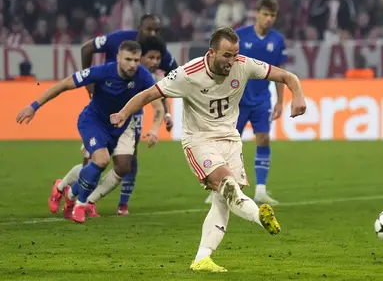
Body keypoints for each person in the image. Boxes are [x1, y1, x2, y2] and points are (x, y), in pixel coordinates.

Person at [110, 27, 306, 272]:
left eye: (235, 54)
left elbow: (288, 77)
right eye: (226, 56)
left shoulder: (243, 65)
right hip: (199, 140)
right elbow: (148, 94)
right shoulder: (187, 74)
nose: (232, 61)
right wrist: (123, 113)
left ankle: (202, 259)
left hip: (230, 140)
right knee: (228, 185)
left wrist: (297, 95)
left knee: (222, 202)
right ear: (212, 52)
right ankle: (260, 217)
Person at [17, 41, 163, 223]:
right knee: (99, 161)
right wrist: (33, 106)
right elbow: (64, 84)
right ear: (118, 58)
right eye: (128, 59)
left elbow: (158, 106)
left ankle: (71, 196)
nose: (132, 64)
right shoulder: (101, 72)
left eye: (135, 60)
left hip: (118, 127)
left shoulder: (143, 76)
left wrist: (156, 128)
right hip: (93, 122)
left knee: (115, 166)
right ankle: (77, 200)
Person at [53, 14, 177, 215]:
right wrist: (89, 83)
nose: (152, 34)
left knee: (126, 163)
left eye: (156, 31)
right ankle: (63, 189)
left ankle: (92, 202)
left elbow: (168, 85)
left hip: (129, 116)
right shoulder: (118, 40)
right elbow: (87, 48)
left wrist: (166, 115)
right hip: (103, 112)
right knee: (94, 164)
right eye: (149, 29)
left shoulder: (155, 58)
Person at [206, 0, 287, 205]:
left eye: (273, 15)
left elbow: (279, 72)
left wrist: (280, 101)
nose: (269, 19)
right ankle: (218, 186)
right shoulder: (240, 35)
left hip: (262, 99)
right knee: (229, 144)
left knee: (264, 140)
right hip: (237, 100)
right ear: (257, 13)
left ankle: (260, 190)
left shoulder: (277, 40)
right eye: (266, 14)